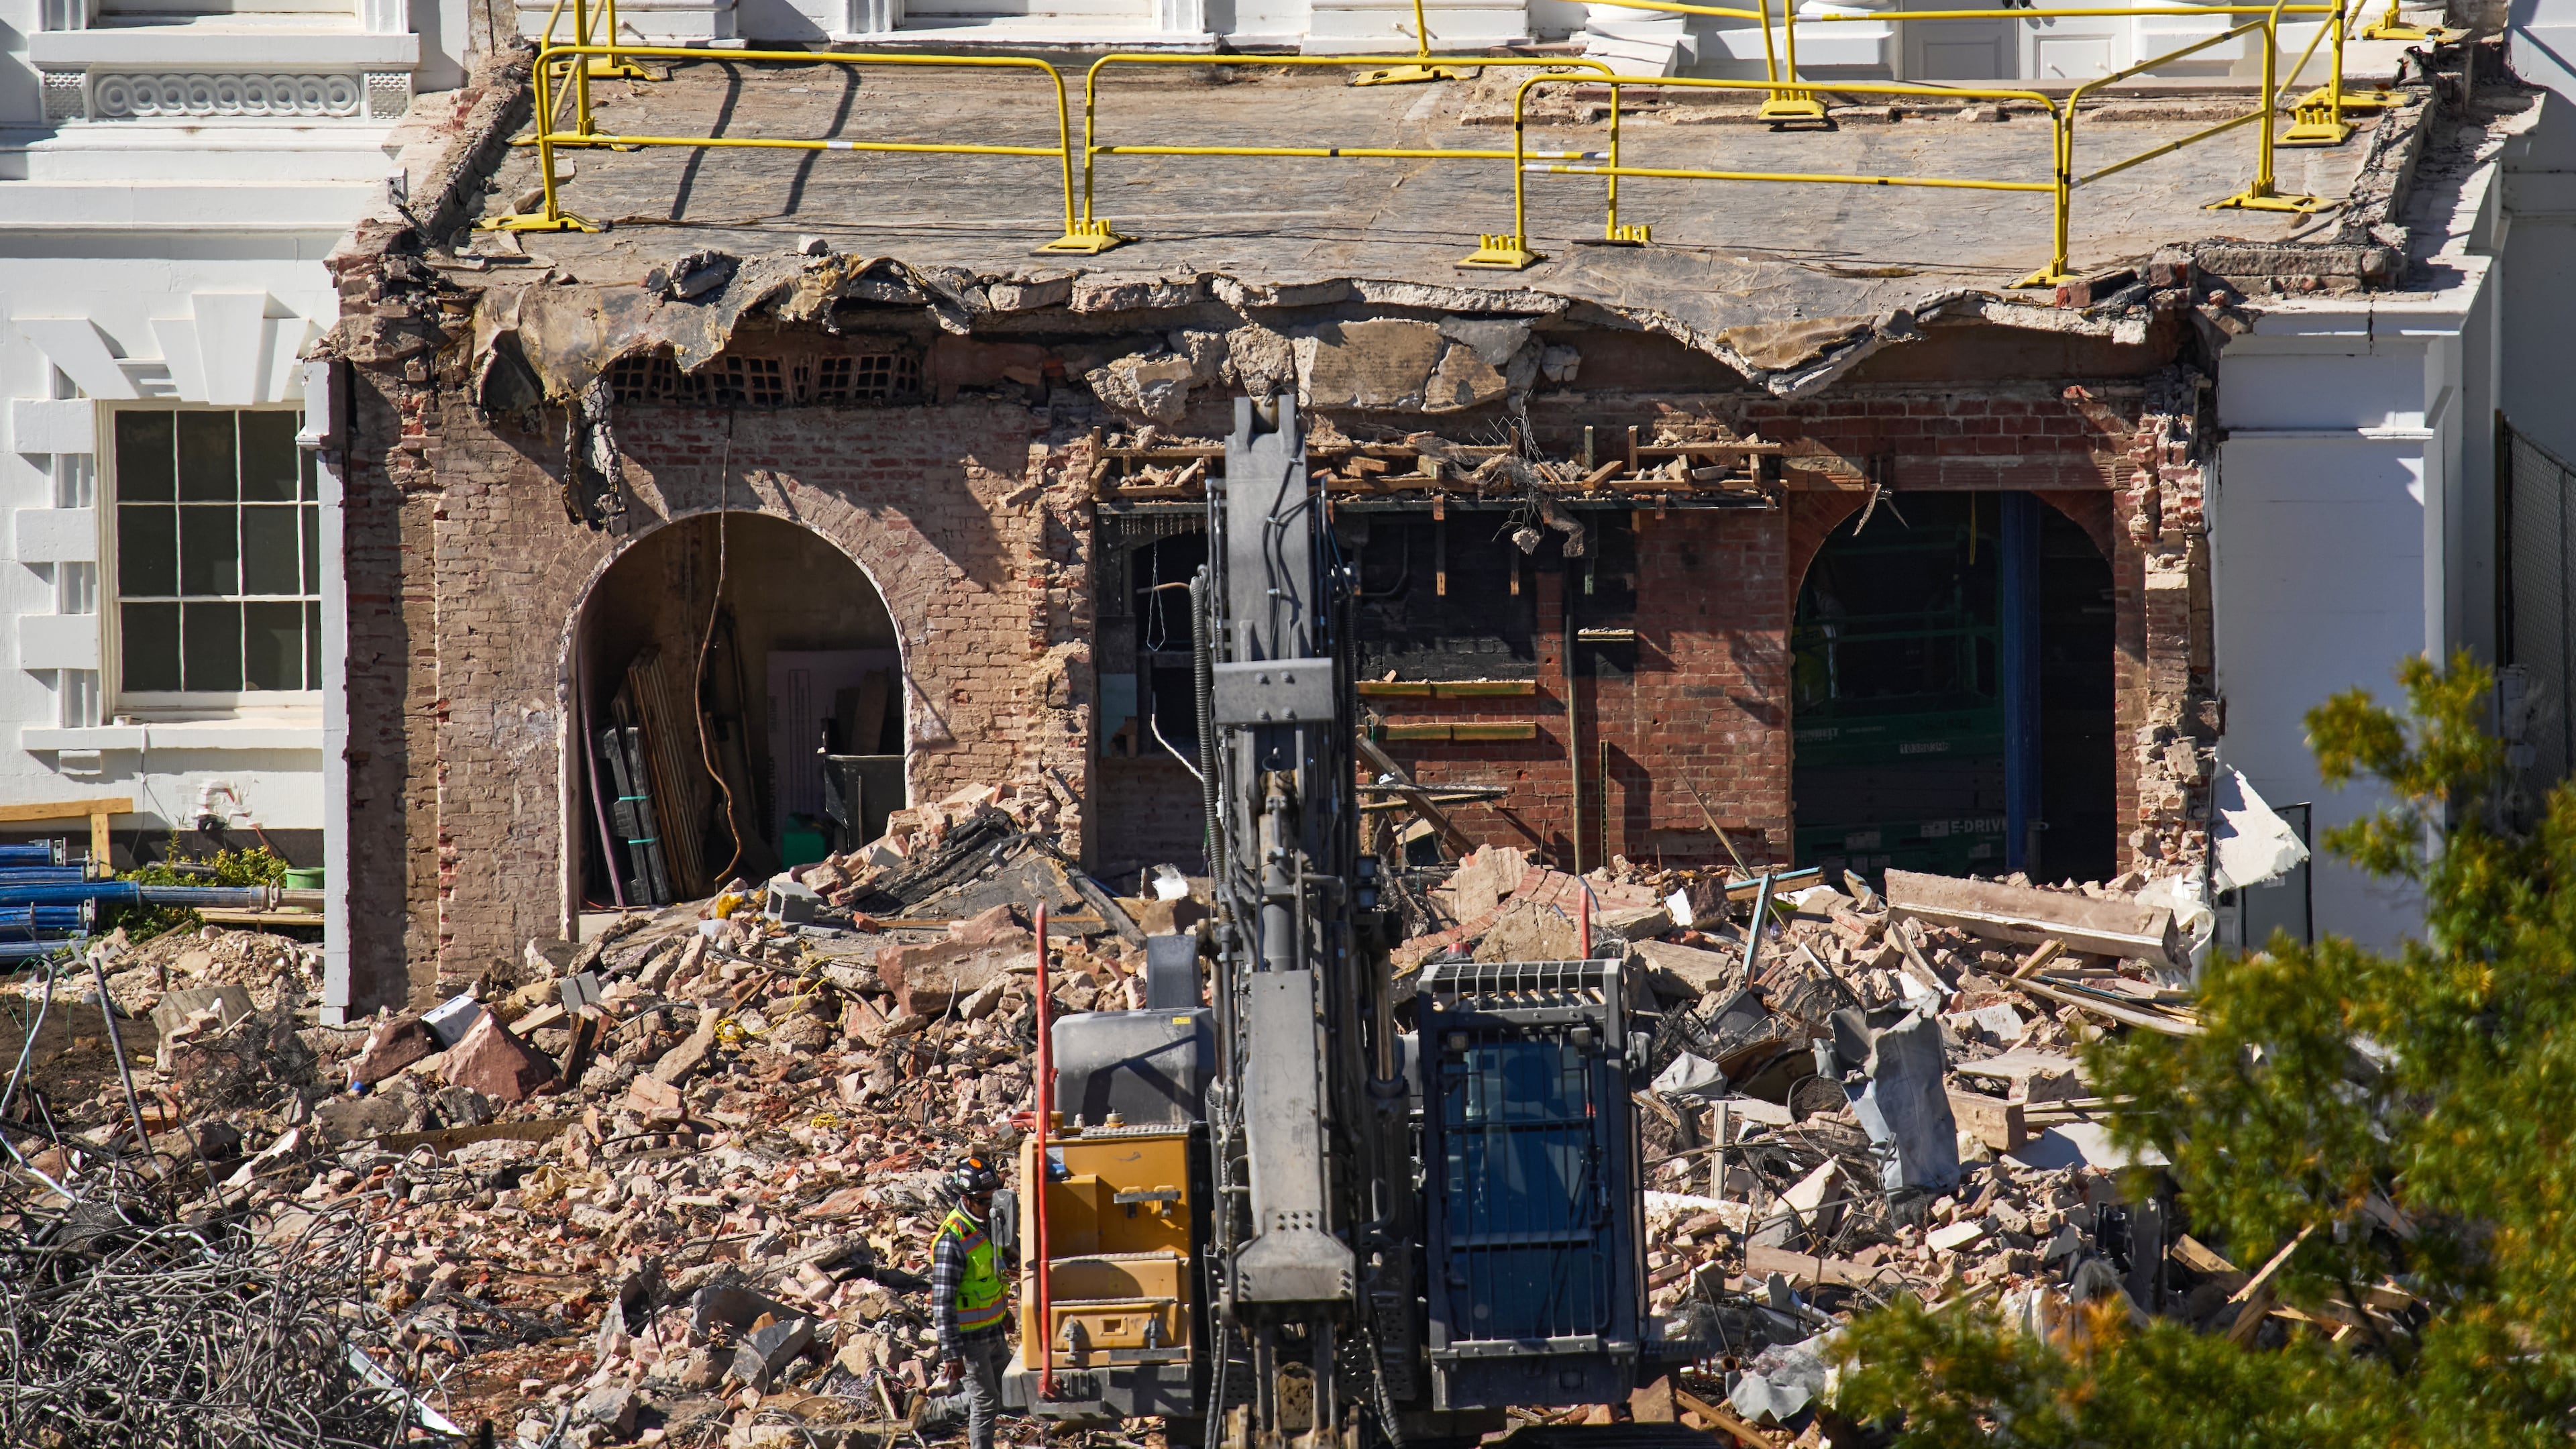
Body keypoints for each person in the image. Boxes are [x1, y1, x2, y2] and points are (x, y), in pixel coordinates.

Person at [925, 1155, 1012, 1449]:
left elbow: (991, 1275)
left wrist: (1005, 1312)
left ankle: (931, 1413)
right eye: (985, 1201)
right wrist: (951, 1354)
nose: (992, 1207)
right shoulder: (953, 1238)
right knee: (987, 1404)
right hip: (969, 1339)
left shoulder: (990, 1224)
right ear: (967, 1199)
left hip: (993, 1330)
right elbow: (942, 1302)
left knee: (1002, 1391)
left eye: (995, 1198)